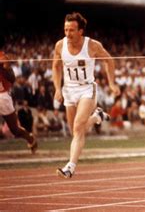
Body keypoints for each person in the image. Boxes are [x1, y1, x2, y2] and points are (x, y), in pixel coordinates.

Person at [53, 12, 120, 178]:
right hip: (69, 89)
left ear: (80, 31)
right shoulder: (60, 46)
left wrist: (111, 83)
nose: (68, 34)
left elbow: (109, 60)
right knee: (76, 131)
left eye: (72, 30)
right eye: (66, 30)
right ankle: (97, 117)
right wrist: (57, 88)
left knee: (77, 126)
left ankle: (70, 167)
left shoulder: (92, 45)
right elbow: (56, 67)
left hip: (87, 89)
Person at [0, 50, 37, 153]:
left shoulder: (2, 56)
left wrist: (6, 68)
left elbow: (12, 79)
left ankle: (30, 139)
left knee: (14, 129)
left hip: (2, 96)